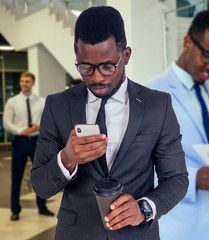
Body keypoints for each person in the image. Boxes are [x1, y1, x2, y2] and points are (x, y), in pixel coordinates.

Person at [30, 6, 188, 240]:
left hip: (136, 235)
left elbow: (176, 178)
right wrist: (67, 159)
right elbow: (41, 186)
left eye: (107, 66)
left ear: (125, 55)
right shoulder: (57, 106)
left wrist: (144, 209)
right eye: (85, 67)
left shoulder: (158, 105)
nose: (96, 77)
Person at [146, 10, 209, 240]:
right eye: (208, 56)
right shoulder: (152, 94)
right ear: (188, 43)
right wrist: (193, 179)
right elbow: (138, 168)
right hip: (180, 225)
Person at [3, 71, 54, 221]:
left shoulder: (42, 101)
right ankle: (15, 209)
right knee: (16, 176)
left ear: (33, 83)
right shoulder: (12, 102)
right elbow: (7, 122)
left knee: (41, 175)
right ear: (20, 83)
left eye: (27, 81)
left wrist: (38, 127)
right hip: (20, 141)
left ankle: (42, 206)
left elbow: (48, 121)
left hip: (38, 141)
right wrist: (21, 130)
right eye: (22, 81)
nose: (24, 84)